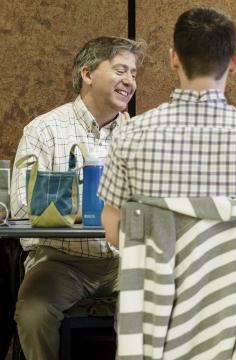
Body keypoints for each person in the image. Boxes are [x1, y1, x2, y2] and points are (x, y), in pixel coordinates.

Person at [97, 7, 236, 360]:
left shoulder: (129, 136)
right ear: (235, 62)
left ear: (173, 59)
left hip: (156, 324)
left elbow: (115, 230)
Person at [9, 36, 145, 359]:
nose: (130, 81)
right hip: (59, 262)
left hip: (123, 260)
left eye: (135, 74)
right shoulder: (43, 130)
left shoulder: (139, 134)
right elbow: (22, 208)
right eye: (121, 70)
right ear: (87, 74)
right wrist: (94, 211)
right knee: (33, 315)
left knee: (163, 304)